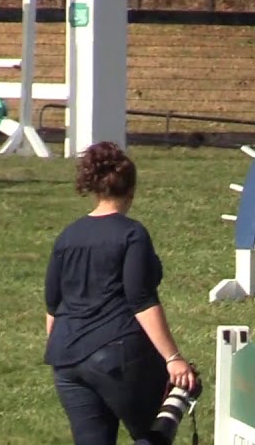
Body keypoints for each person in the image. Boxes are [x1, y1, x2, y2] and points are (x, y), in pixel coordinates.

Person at [44, 141, 198, 445]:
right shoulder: (131, 233)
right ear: (131, 191)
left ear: (95, 187)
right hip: (116, 355)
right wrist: (173, 358)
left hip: (67, 358)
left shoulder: (67, 236)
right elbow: (141, 300)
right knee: (153, 432)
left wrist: (64, 351)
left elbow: (53, 305)